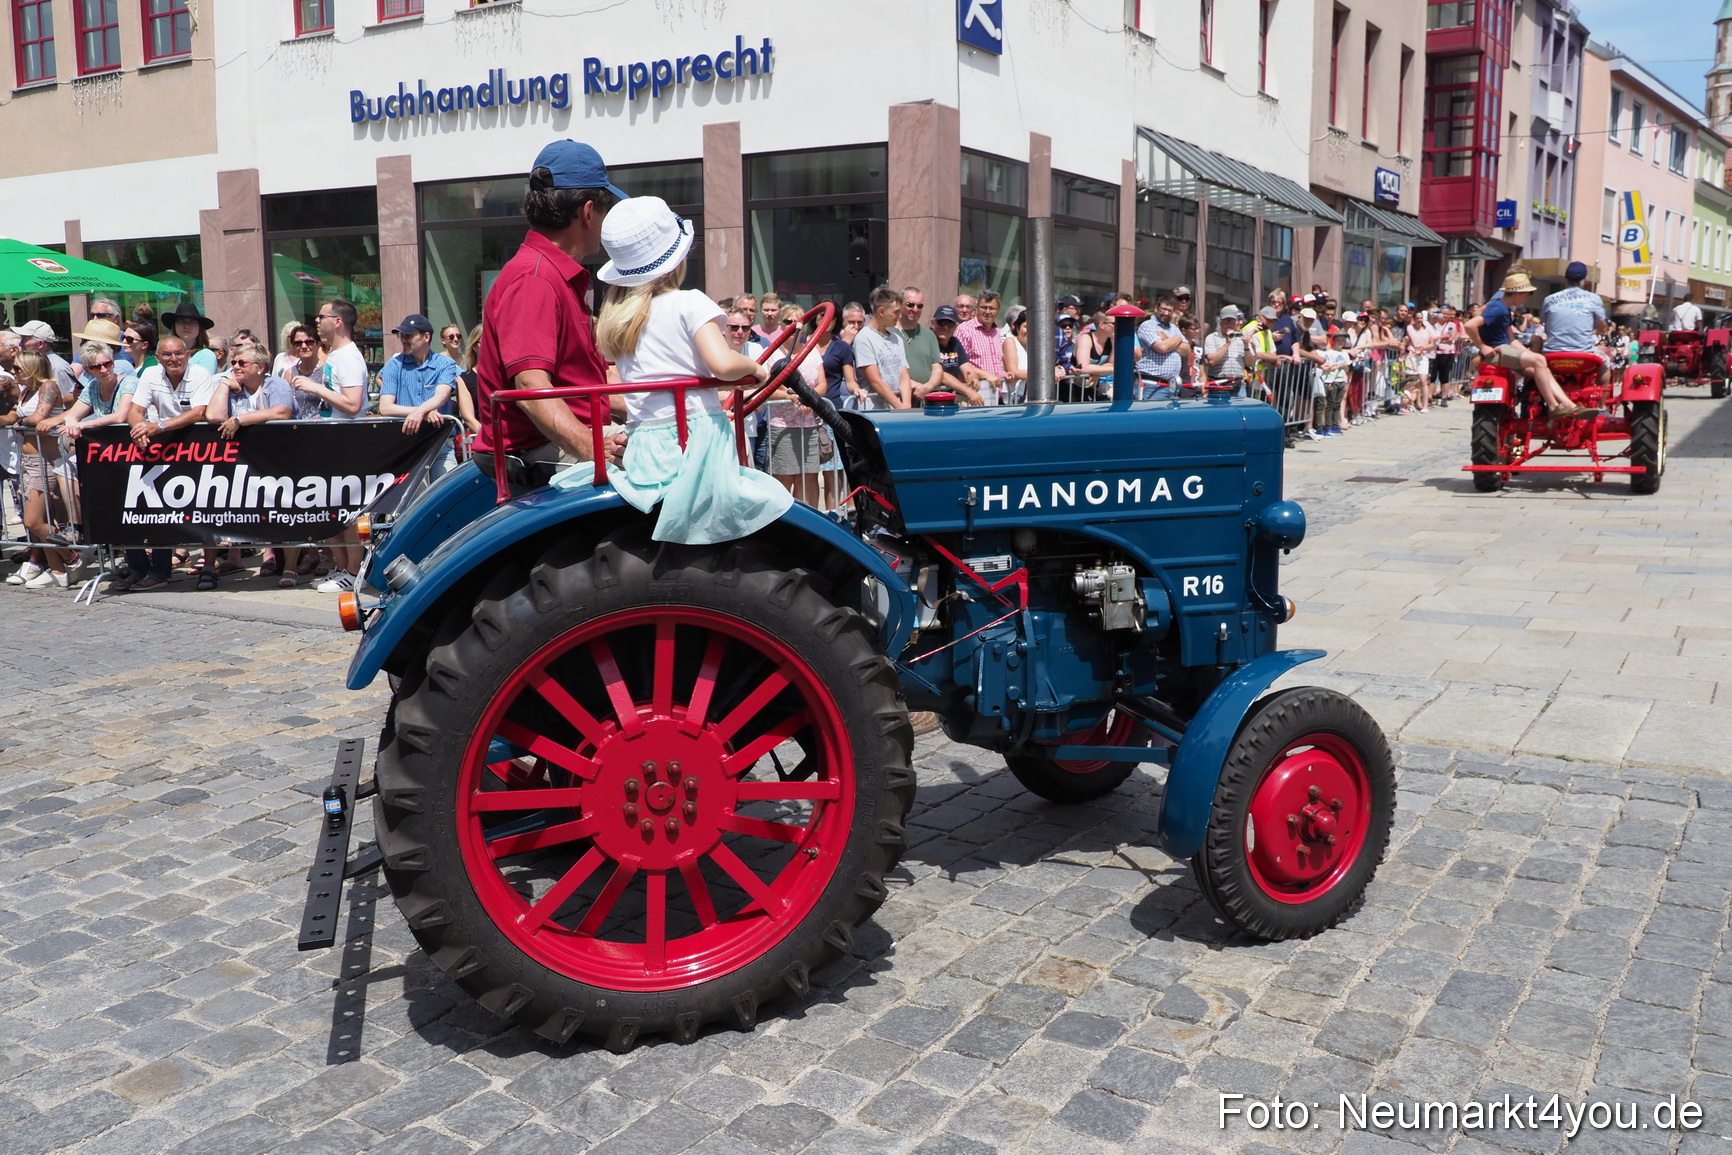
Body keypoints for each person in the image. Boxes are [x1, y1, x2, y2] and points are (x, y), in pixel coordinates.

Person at [562, 194, 787, 545]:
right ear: (676, 260)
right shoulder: (689, 302)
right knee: (773, 504)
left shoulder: (619, 317)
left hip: (646, 446)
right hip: (694, 442)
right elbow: (723, 363)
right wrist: (756, 371)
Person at [473, 138, 627, 504]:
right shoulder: (536, 279)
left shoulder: (554, 276)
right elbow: (530, 386)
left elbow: (594, 381)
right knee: (662, 471)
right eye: (607, 212)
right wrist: (595, 448)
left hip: (549, 441)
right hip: (533, 451)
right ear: (588, 212)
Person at [116, 335, 219, 591]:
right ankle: (142, 569)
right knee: (146, 507)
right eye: (167, 354)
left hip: (196, 448)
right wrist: (139, 429)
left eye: (178, 353)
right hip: (161, 446)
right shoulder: (151, 374)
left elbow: (199, 412)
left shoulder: (200, 375)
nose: (174, 359)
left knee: (202, 509)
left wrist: (157, 426)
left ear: (188, 354)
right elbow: (135, 409)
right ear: (158, 357)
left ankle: (207, 568)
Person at [1465, 271, 1589, 419]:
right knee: (1539, 361)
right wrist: (1482, 346)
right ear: (1516, 293)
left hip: (1504, 349)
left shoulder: (1504, 309)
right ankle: (1553, 406)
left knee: (1541, 366)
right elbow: (1470, 325)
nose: (1526, 298)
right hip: (1496, 352)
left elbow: (1512, 340)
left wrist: (1531, 355)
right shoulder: (1498, 308)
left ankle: (1569, 406)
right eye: (1526, 294)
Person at [5, 352, 74, 588]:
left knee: (34, 521)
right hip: (27, 459)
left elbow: (38, 418)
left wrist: (20, 422)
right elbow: (14, 416)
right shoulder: (26, 392)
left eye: (18, 368)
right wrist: (11, 420)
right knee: (43, 518)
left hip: (44, 460)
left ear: (31, 368)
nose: (14, 372)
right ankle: (58, 570)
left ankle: (72, 557)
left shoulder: (48, 387)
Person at [378, 313, 461, 477]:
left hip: (441, 442)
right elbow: (385, 407)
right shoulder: (394, 365)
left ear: (426, 337)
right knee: (416, 499)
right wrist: (423, 412)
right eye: (401, 335)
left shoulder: (445, 364)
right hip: (408, 444)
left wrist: (419, 412)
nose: (403, 339)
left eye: (408, 335)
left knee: (448, 495)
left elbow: (441, 396)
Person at [763, 304, 831, 505]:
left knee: (809, 475)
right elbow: (767, 389)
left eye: (798, 322)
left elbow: (822, 384)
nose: (793, 326)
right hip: (782, 425)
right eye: (788, 322)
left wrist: (807, 398)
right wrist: (792, 397)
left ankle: (812, 523)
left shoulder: (812, 351)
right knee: (784, 476)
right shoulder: (773, 353)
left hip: (809, 424)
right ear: (781, 325)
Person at [293, 299, 368, 422]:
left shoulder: (348, 357)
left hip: (345, 435)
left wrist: (315, 387)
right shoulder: (336, 353)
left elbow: (353, 405)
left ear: (337, 321)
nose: (317, 320)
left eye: (322, 317)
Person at [1541, 261, 1611, 386]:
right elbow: (1602, 325)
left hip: (1553, 355)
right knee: (1606, 362)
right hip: (1583, 355)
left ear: (1565, 279)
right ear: (1585, 279)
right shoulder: (1593, 298)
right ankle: (1601, 403)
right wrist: (1601, 331)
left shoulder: (1549, 299)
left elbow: (1546, 326)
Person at [852, 285, 913, 409]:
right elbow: (875, 380)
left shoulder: (897, 339)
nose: (899, 316)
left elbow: (904, 375)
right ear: (881, 311)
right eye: (896, 312)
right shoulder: (863, 338)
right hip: (872, 411)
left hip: (896, 409)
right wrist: (900, 407)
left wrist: (906, 405)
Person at [956, 290, 1007, 404]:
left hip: (994, 397)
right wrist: (986, 375)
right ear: (977, 309)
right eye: (984, 307)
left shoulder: (996, 331)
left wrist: (1003, 374)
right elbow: (959, 362)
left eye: (992, 308)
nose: (988, 312)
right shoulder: (964, 330)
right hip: (972, 397)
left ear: (998, 311)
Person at [8, 320, 80, 400]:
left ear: (40, 344)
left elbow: (65, 402)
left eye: (25, 340)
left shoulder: (57, 368)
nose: (20, 344)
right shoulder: (34, 365)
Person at [1134, 296, 1186, 399]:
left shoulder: (1174, 328)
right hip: (1151, 386)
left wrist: (1168, 339)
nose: (1166, 313)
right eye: (1164, 309)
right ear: (1156, 308)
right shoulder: (1147, 325)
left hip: (1171, 386)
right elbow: (1162, 348)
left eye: (1170, 311)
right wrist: (1178, 339)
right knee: (1150, 415)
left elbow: (1186, 350)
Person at [929, 304, 982, 404]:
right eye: (941, 322)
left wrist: (972, 379)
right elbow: (941, 375)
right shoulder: (928, 341)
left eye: (950, 324)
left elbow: (967, 368)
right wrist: (968, 391)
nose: (945, 327)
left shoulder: (955, 342)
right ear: (932, 323)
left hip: (951, 400)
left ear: (956, 327)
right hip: (930, 401)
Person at [896, 287, 943, 399]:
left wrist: (928, 387)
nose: (915, 309)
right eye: (910, 304)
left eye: (920, 306)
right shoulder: (888, 333)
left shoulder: (929, 335)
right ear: (900, 304)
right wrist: (909, 383)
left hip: (925, 402)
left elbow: (937, 368)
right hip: (896, 401)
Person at [274, 323, 325, 419]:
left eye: (309, 342)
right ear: (293, 347)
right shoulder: (289, 373)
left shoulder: (326, 370)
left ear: (318, 344)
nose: (304, 346)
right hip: (296, 428)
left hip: (321, 427)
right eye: (298, 343)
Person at [1202, 305, 1250, 396]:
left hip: (1238, 386)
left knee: (1240, 410)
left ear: (1236, 322)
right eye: (1225, 321)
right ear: (1220, 322)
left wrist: (1247, 346)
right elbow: (1212, 361)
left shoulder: (1242, 338)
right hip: (1218, 385)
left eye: (1231, 321)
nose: (1228, 323)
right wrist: (1227, 343)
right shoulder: (1212, 338)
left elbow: (1249, 363)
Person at [161, 301, 220, 375]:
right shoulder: (166, 354)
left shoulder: (206, 355)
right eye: (181, 321)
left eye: (192, 322)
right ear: (174, 325)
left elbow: (203, 383)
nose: (187, 326)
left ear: (199, 327)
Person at [822, 302, 863, 407]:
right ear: (843, 321)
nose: (856, 327)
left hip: (856, 397)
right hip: (833, 396)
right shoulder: (835, 341)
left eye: (860, 322)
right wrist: (845, 343)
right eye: (851, 322)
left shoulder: (865, 339)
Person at [1072, 310, 1116, 400]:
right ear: (1102, 325)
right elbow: (1083, 367)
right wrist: (1112, 369)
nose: (1118, 326)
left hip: (1092, 386)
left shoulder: (1111, 340)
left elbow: (1111, 364)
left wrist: (1096, 371)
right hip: (1073, 388)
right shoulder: (1085, 339)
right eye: (1114, 323)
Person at [999, 306, 1028, 405]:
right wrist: (1045, 375)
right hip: (1011, 400)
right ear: (1017, 327)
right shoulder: (1010, 341)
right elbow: (1014, 372)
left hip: (1027, 399)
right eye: (1026, 327)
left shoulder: (1035, 347)